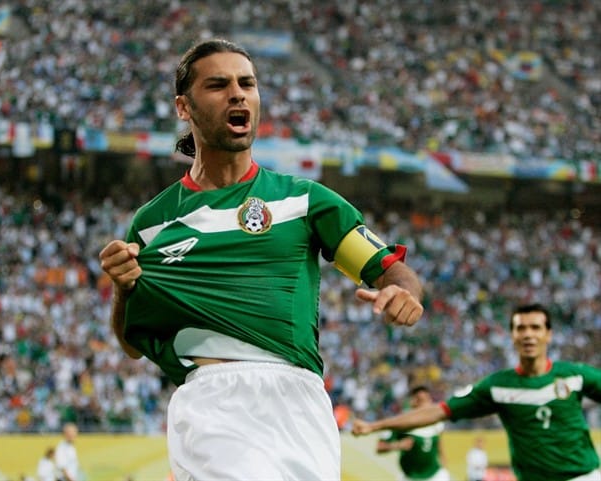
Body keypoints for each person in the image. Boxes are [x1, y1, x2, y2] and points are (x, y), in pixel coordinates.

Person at [98, 37, 424, 481]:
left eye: (247, 83)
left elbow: (389, 270)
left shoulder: (305, 201)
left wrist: (403, 292)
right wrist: (123, 288)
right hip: (215, 400)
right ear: (183, 107)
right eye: (218, 85)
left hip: (302, 403)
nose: (237, 94)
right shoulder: (153, 223)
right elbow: (133, 343)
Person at [352, 303, 601, 481]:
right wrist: (376, 426)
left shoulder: (575, 375)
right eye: (521, 328)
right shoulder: (497, 386)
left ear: (549, 335)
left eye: (535, 328)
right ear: (512, 336)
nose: (528, 335)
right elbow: (439, 411)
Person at [373, 385, 450, 481]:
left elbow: (439, 445)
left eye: (427, 399)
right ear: (413, 402)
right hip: (410, 476)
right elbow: (380, 447)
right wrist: (398, 445)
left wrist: (445, 468)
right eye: (421, 400)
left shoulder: (436, 422)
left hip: (434, 475)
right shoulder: (401, 422)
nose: (426, 404)